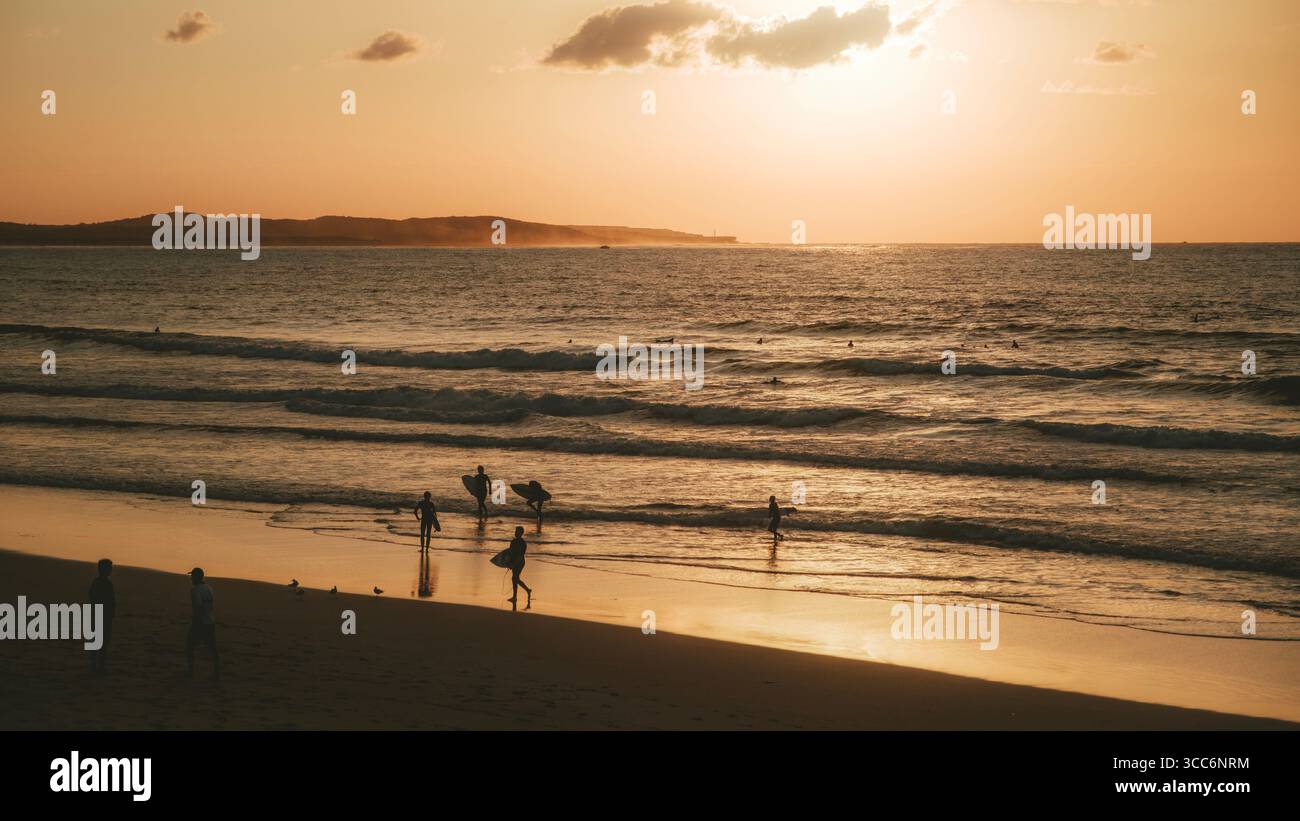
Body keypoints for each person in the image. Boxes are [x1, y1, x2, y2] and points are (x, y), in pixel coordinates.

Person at [186, 567, 220, 682]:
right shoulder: (209, 588)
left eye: (192, 576)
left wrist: (196, 623)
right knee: (212, 649)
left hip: (200, 622)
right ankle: (217, 673)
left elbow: (198, 608)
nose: (190, 578)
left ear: (196, 577)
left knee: (189, 646)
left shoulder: (195, 590)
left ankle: (190, 672)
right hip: (210, 621)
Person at [88, 558, 116, 675]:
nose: (111, 570)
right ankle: (99, 667)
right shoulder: (107, 584)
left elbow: (91, 597)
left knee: (98, 642)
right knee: (103, 643)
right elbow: (110, 600)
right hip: (103, 616)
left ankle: (94, 666)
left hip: (97, 615)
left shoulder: (96, 582)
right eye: (109, 568)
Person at [506, 526, 532, 609]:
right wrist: (509, 563)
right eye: (515, 531)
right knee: (515, 579)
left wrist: (514, 562)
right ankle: (527, 590)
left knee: (515, 578)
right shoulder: (513, 541)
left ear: (521, 533)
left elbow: (521, 554)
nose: (515, 532)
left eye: (517, 531)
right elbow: (510, 552)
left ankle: (515, 597)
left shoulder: (522, 543)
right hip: (514, 561)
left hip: (520, 562)